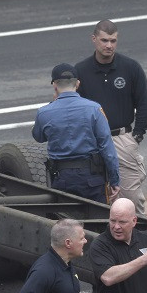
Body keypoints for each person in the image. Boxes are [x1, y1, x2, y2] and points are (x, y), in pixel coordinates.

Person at [76, 20, 147, 216]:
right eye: (104, 40)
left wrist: (136, 137)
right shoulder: (80, 71)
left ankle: (138, 239)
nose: (109, 45)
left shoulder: (131, 68)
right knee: (98, 197)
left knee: (130, 198)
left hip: (122, 139)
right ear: (94, 40)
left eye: (113, 41)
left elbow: (144, 104)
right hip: (92, 142)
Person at [32, 63, 120, 204]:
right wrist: (114, 180)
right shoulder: (94, 109)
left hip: (61, 178)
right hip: (92, 178)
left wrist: (52, 104)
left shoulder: (44, 112)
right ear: (77, 83)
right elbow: (107, 147)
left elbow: (38, 137)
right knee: (98, 219)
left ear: (55, 85)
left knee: (65, 220)